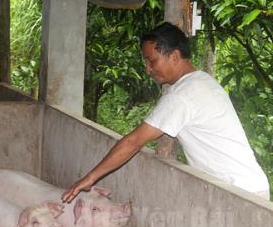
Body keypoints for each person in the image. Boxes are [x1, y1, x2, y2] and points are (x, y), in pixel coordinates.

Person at [61, 22, 270, 203]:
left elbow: (134, 142)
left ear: (175, 56)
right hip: (245, 186)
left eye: (152, 61)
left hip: (240, 191)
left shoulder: (183, 96)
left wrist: (89, 178)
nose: (148, 68)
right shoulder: (202, 81)